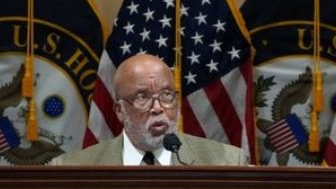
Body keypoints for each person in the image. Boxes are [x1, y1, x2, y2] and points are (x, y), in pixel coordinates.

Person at [51, 54, 248, 166]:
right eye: (142, 97)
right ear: (120, 111)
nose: (158, 108)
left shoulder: (228, 162)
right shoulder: (72, 169)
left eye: (167, 95)